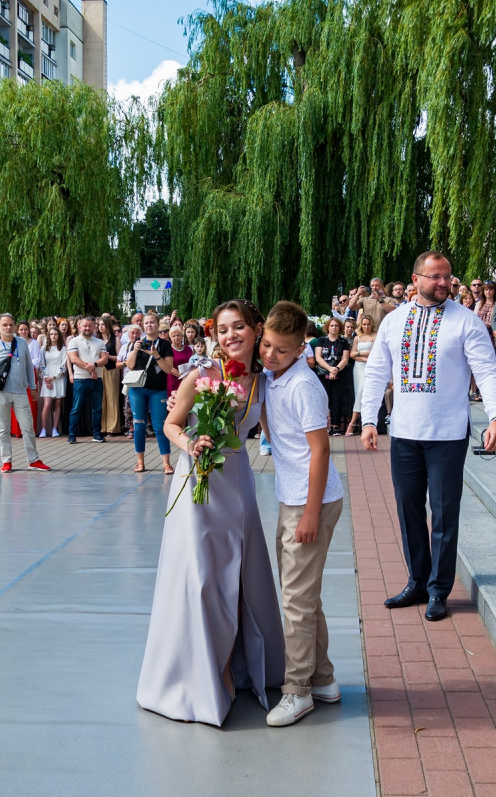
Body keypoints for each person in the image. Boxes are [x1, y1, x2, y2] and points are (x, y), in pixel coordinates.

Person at [137, 299, 284, 726]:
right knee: (203, 579)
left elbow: (278, 435)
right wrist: (190, 446)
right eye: (222, 330)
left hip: (239, 484)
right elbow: (170, 425)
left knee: (241, 576)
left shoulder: (265, 381)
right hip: (199, 487)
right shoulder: (199, 377)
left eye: (238, 327)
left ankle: (244, 661)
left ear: (256, 330)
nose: (230, 336)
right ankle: (209, 670)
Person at [361, 251, 496, 622]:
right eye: (435, 277)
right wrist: (368, 420)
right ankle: (417, 581)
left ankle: (440, 590)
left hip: (448, 434)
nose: (444, 283)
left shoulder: (467, 321)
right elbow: (377, 371)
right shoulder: (395, 322)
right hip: (404, 433)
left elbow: (487, 371)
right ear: (415, 279)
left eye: (448, 277)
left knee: (443, 514)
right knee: (409, 510)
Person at [258, 301, 346, 727]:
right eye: (267, 345)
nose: (270, 354)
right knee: (302, 596)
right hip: (293, 496)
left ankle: (298, 691)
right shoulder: (273, 378)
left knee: (295, 600)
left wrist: (311, 513)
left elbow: (320, 449)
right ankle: (323, 678)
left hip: (310, 502)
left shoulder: (303, 385)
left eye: (282, 349)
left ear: (300, 350)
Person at [0, 314, 49, 473]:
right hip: (1, 393)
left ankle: (33, 459)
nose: (8, 328)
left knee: (28, 427)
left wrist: (33, 387)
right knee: (3, 429)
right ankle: (6, 461)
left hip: (20, 392)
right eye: (4, 325)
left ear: (15, 327)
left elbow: (28, 367)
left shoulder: (22, 343)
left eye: (11, 324)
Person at [125, 313, 178, 474]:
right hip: (138, 389)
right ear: (143, 326)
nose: (149, 325)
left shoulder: (164, 345)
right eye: (146, 323)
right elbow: (130, 365)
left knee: (160, 426)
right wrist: (134, 350)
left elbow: (169, 369)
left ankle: (166, 463)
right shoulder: (137, 342)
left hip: (158, 390)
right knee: (139, 425)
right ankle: (140, 462)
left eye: (152, 322)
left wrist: (156, 356)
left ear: (158, 325)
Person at [66, 316, 108, 444]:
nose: (87, 328)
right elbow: (74, 359)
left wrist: (94, 365)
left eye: (90, 326)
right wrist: (91, 369)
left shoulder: (100, 342)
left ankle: (97, 433)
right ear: (79, 327)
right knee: (76, 408)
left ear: (94, 327)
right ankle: (72, 435)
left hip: (97, 380)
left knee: (97, 408)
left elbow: (104, 359)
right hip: (80, 379)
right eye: (85, 326)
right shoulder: (74, 341)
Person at [313, 317, 352, 435]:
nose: (334, 327)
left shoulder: (343, 341)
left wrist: (336, 369)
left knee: (337, 399)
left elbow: (345, 358)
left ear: (339, 327)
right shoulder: (321, 340)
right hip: (323, 373)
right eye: (332, 325)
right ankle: (324, 425)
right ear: (327, 327)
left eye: (336, 325)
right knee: (324, 399)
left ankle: (335, 425)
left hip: (339, 373)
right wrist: (329, 369)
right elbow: (318, 357)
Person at [344, 315, 376, 435]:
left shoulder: (375, 336)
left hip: (369, 368)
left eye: (368, 324)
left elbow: (373, 352)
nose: (366, 326)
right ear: (361, 325)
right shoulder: (357, 338)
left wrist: (359, 355)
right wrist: (364, 357)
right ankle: (362, 423)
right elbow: (352, 354)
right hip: (358, 368)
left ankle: (352, 424)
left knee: (363, 392)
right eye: (364, 324)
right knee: (359, 392)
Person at [39, 324, 67, 438]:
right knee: (47, 404)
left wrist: (54, 377)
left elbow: (63, 365)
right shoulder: (44, 348)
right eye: (51, 334)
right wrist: (46, 378)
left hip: (58, 378)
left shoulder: (63, 348)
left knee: (58, 403)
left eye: (55, 334)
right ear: (48, 336)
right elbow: (41, 364)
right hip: (47, 376)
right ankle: (43, 429)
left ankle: (55, 428)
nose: (53, 336)